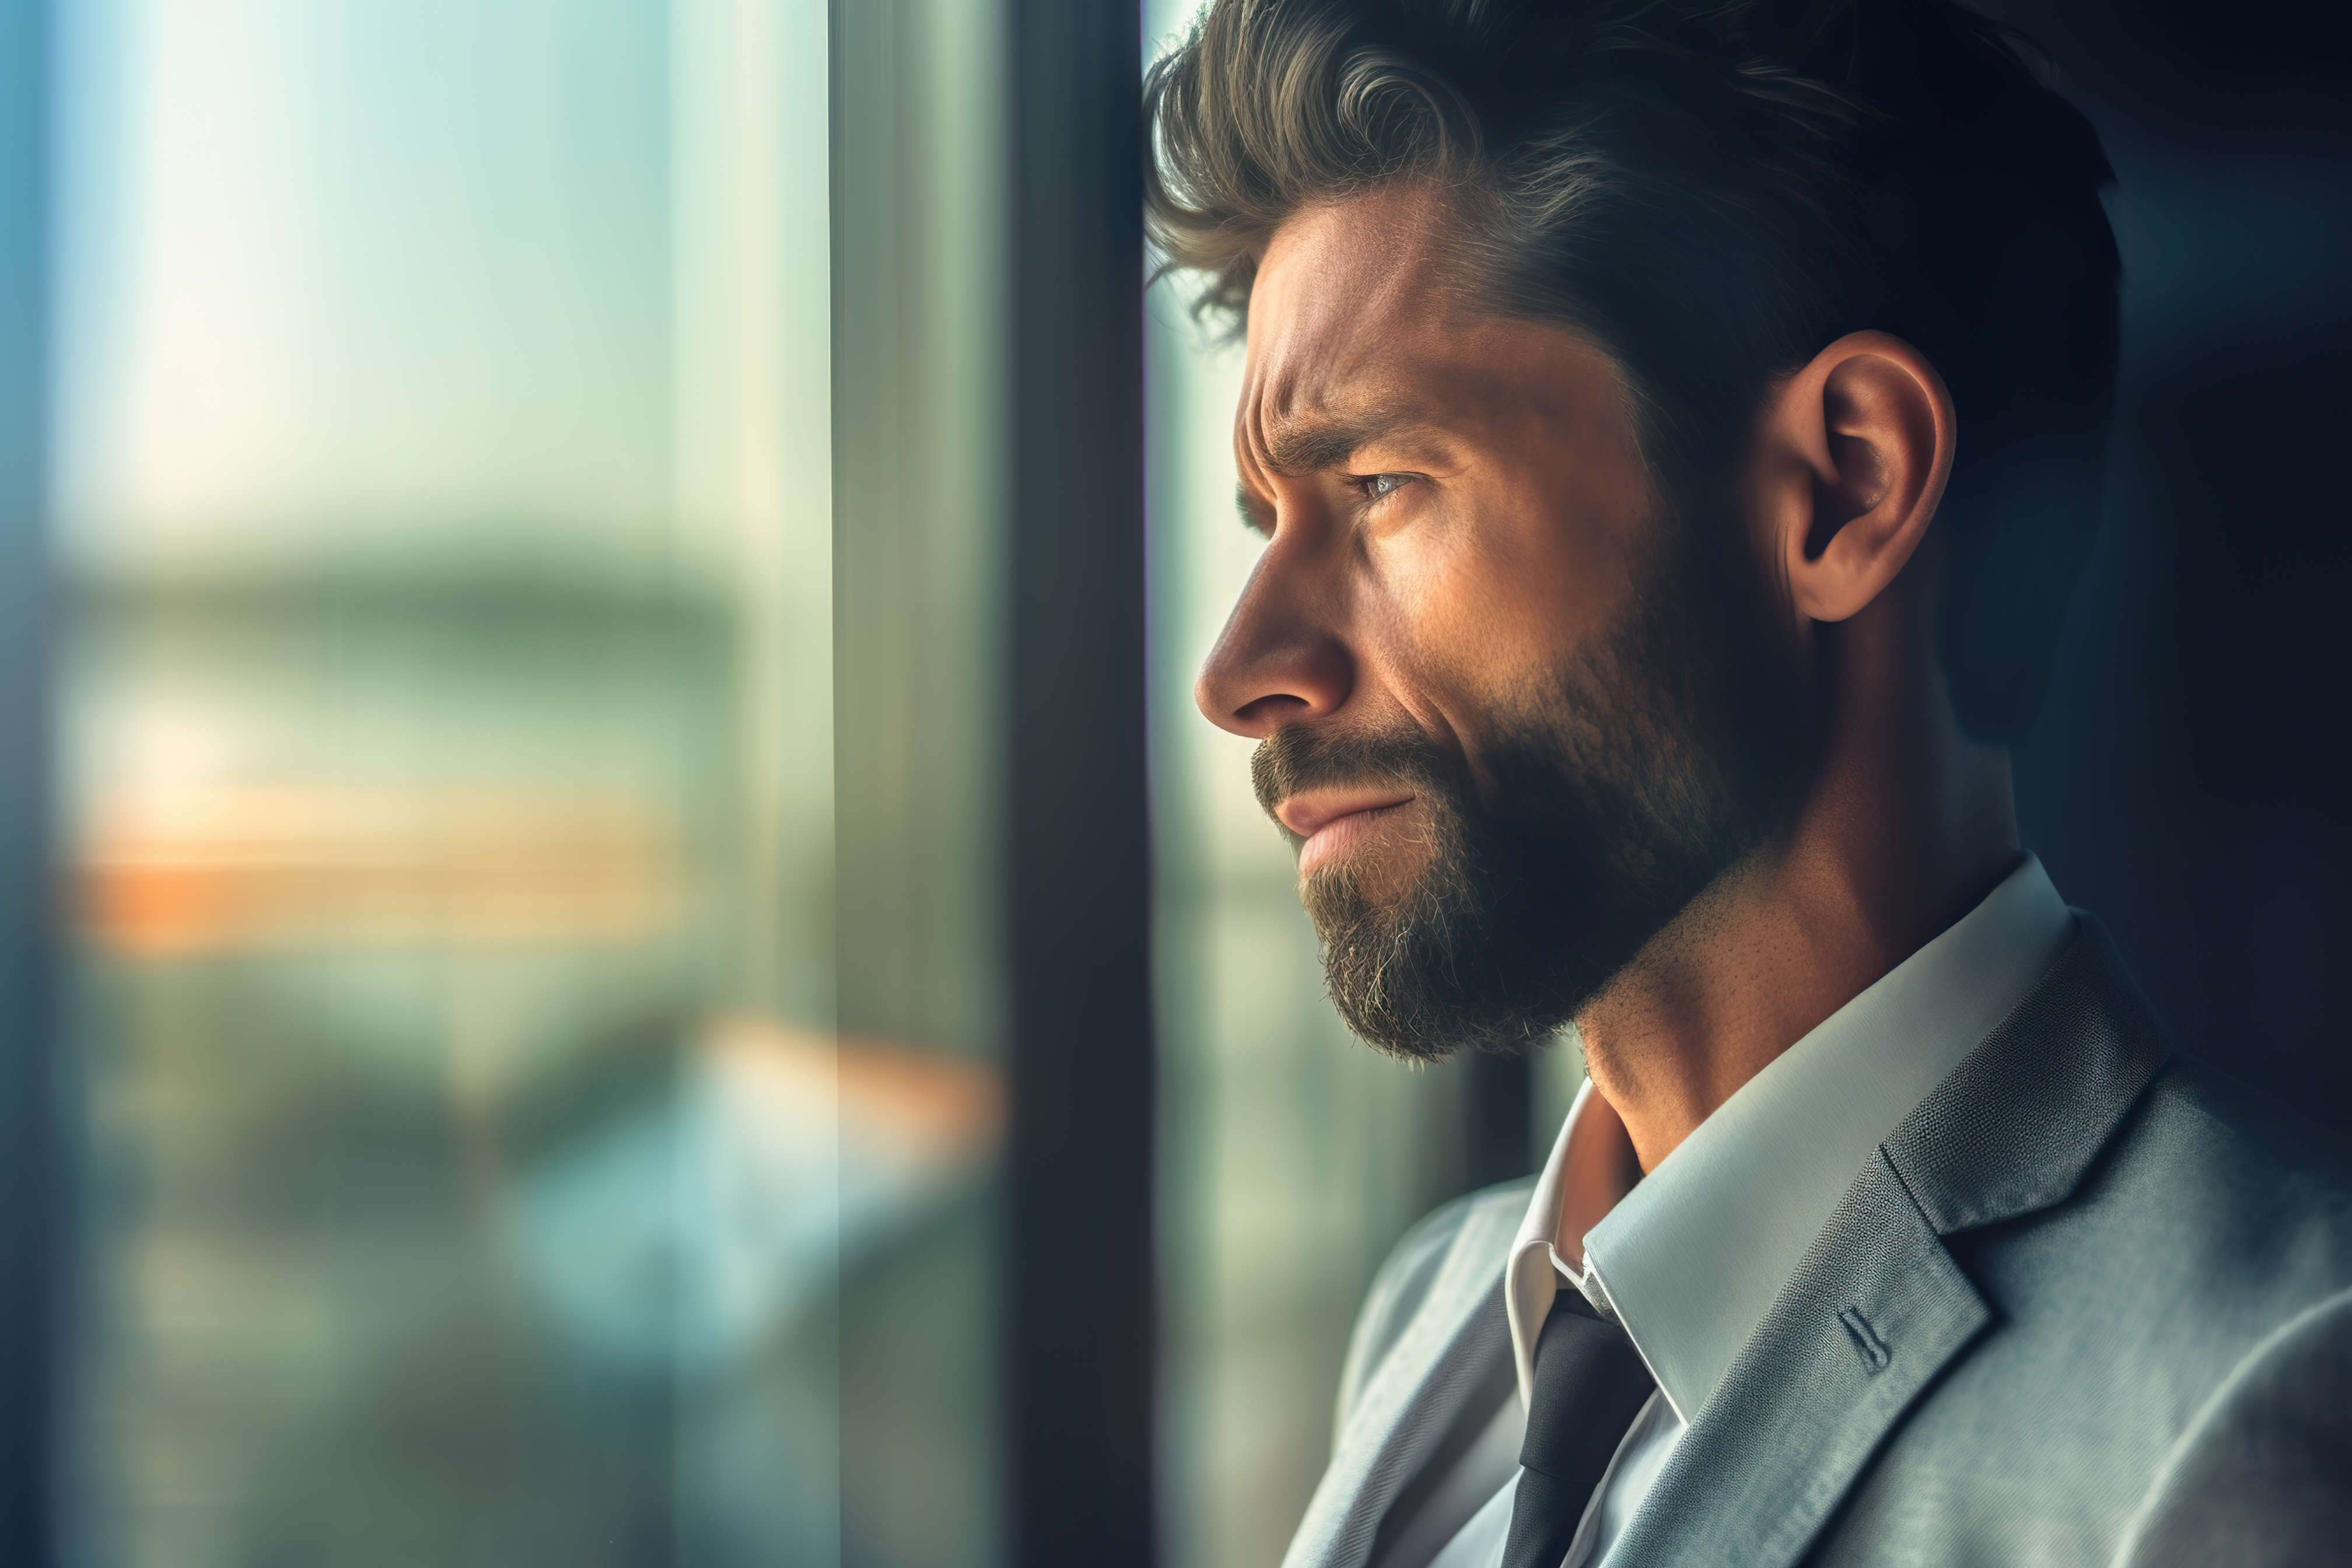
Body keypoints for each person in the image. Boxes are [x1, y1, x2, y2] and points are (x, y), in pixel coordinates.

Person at [1143, 1, 2352, 1564]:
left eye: (1380, 487)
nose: (1240, 673)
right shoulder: (1432, 1323)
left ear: (1842, 487)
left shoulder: (2262, 1406)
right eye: (1265, 523)